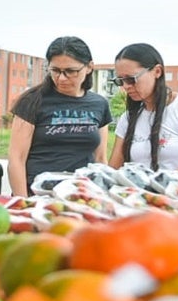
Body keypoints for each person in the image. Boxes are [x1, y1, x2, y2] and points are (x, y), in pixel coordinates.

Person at [7, 36, 113, 197]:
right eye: (55, 70)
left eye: (71, 71)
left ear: (90, 67)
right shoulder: (32, 101)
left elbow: (100, 158)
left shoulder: (99, 104)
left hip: (82, 196)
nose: (61, 78)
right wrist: (24, 203)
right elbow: (17, 159)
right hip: (39, 195)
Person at [107, 43, 178, 178]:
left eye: (131, 79)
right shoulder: (128, 118)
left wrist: (157, 181)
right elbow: (113, 170)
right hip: (139, 197)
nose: (125, 87)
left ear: (157, 71)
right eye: (120, 81)